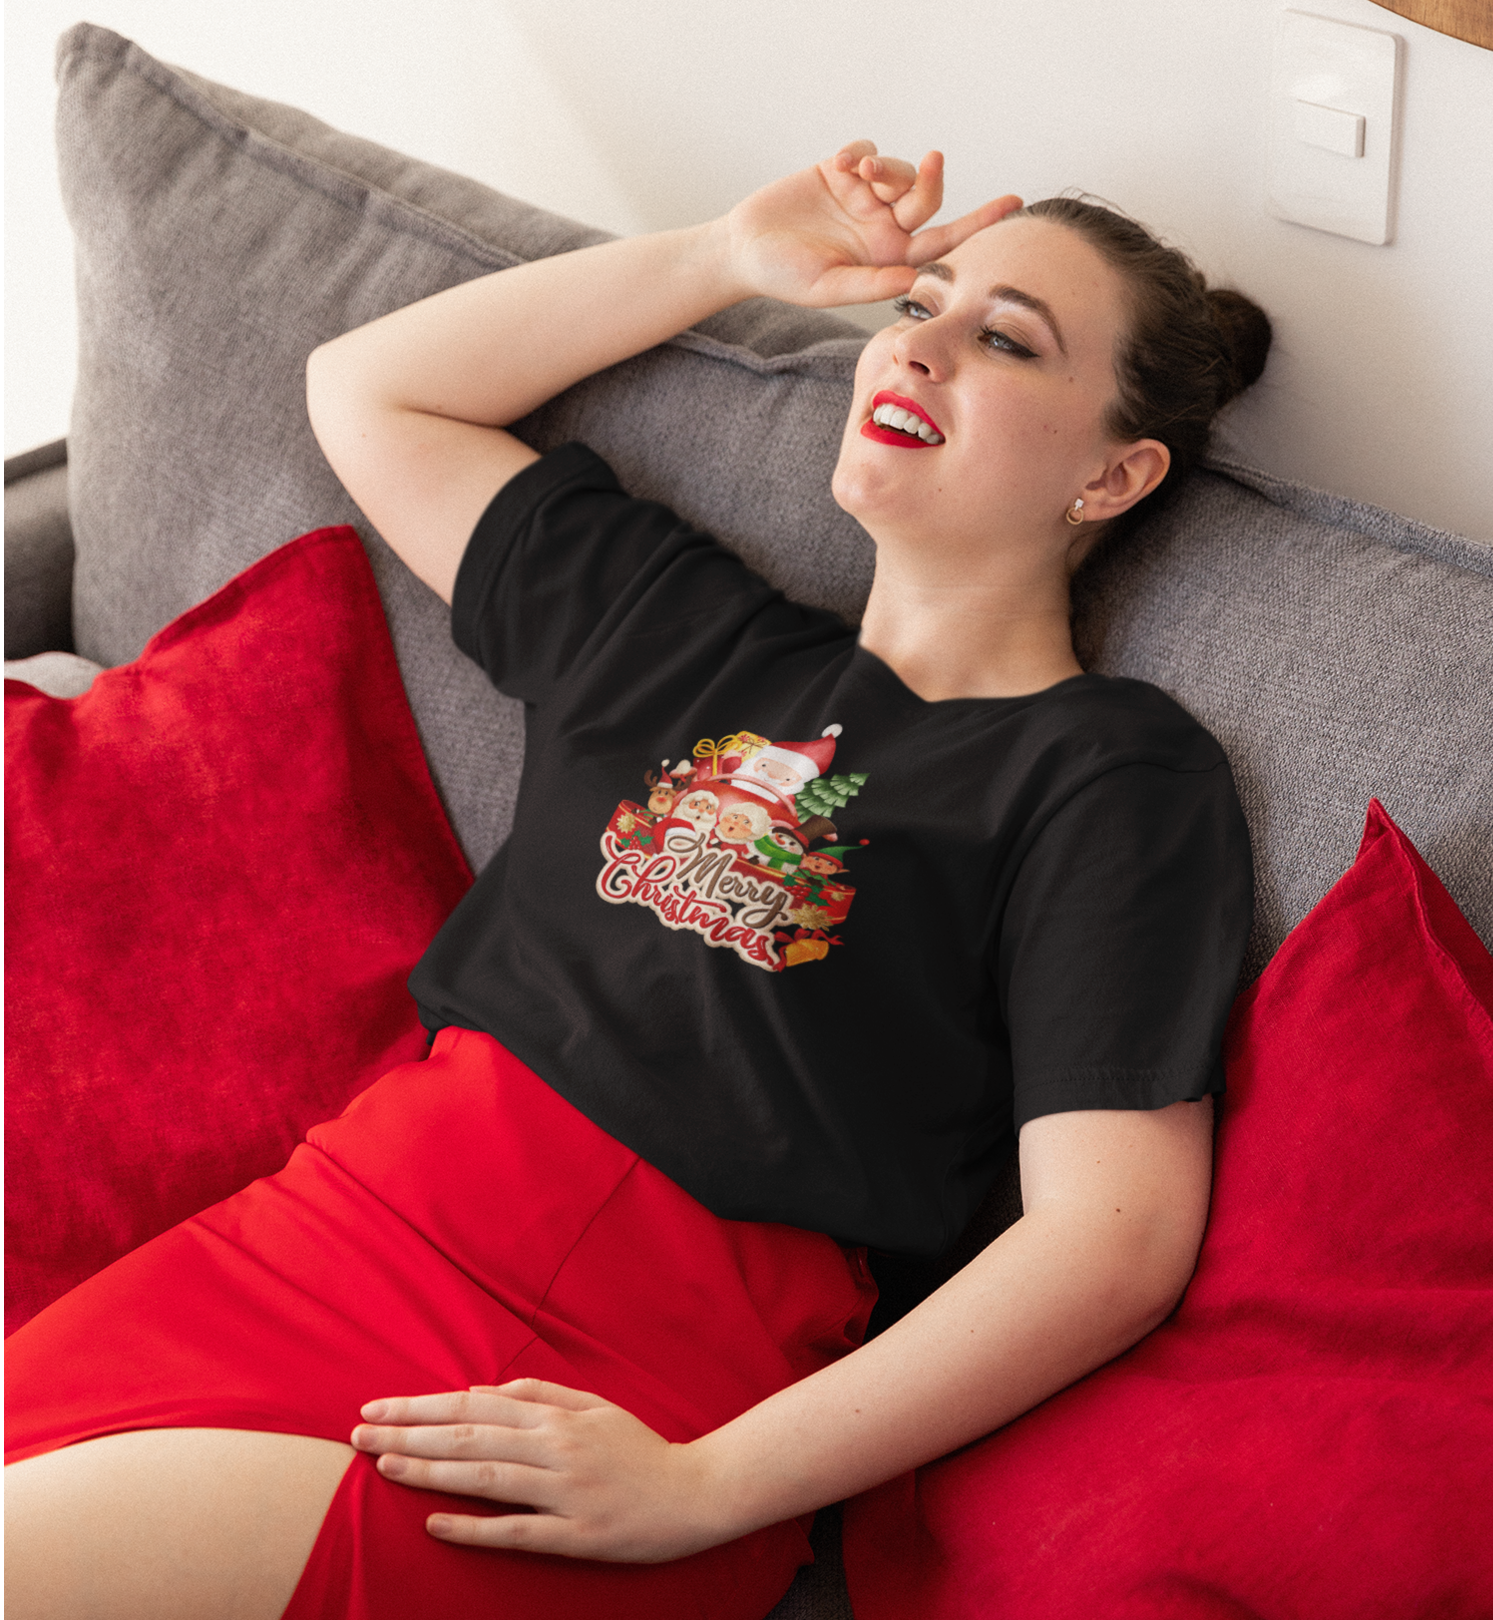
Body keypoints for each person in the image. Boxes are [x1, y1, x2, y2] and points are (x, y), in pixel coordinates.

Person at [4, 141, 1263, 1619]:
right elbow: (370, 390)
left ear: (1114, 473)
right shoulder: (673, 629)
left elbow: (1113, 1242)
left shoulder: (1109, 772)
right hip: (309, 1235)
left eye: (1005, 341)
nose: (917, 347)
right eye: (921, 305)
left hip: (591, 1387)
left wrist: (708, 1484)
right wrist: (725, 253)